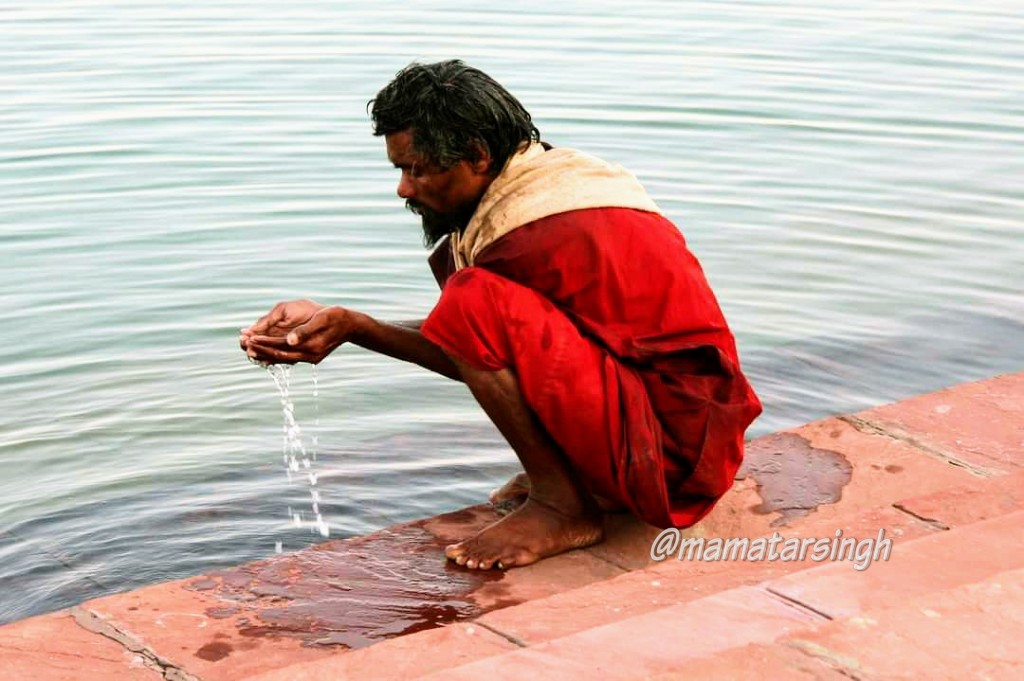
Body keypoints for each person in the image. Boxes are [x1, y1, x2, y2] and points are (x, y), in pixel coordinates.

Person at [240, 59, 762, 570]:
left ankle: (564, 507)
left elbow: (472, 338)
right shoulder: (542, 189)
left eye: (415, 169)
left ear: (476, 156)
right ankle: (578, 485)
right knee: (474, 302)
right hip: (674, 435)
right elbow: (488, 352)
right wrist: (347, 323)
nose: (403, 188)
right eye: (400, 169)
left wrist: (357, 327)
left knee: (472, 298)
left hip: (675, 458)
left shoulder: (534, 229)